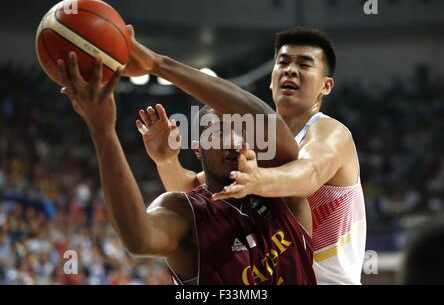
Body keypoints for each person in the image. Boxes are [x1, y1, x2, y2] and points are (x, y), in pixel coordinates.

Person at [56, 41, 316, 284]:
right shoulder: (185, 212)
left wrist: (159, 64)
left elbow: (268, 123)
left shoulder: (284, 190)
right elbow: (139, 238)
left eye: (241, 130)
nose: (234, 141)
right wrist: (104, 132)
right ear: (197, 148)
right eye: (219, 132)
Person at [136, 27, 367, 284]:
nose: (290, 69)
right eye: (283, 62)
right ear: (271, 79)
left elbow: (309, 173)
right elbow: (195, 193)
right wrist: (166, 161)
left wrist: (259, 180)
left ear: (326, 85)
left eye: (304, 64)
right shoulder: (254, 141)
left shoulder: (329, 132)